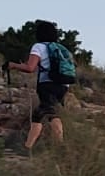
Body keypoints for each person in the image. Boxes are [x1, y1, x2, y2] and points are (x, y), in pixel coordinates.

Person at [12, 22, 77, 151]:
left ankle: (60, 147)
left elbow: (30, 68)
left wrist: (13, 65)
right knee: (38, 115)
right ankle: (27, 147)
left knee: (52, 114)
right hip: (63, 85)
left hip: (47, 84)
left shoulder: (39, 47)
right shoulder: (61, 48)